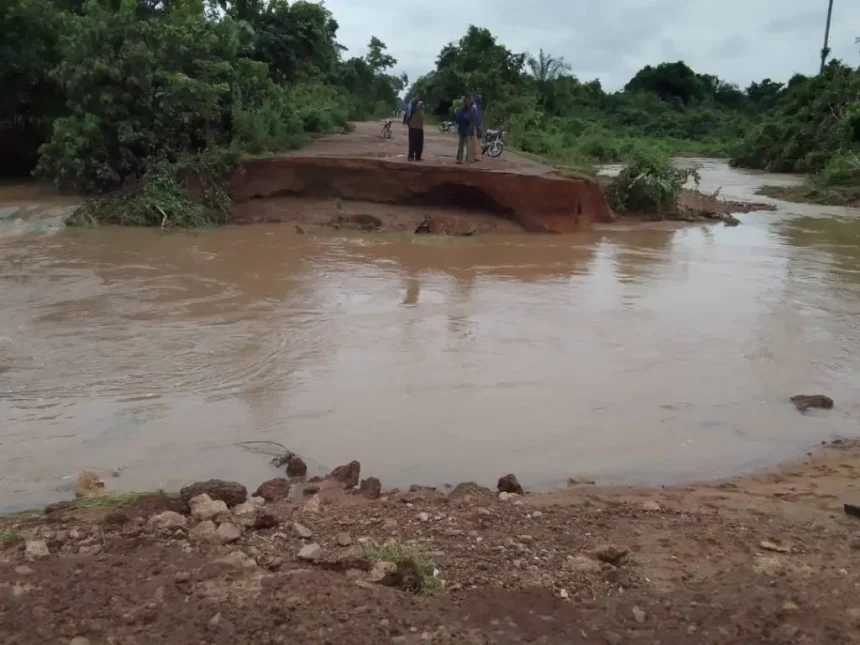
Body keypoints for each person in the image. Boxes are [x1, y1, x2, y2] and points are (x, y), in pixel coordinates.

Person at [404, 90, 426, 161]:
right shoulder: (420, 105)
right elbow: (422, 116)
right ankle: (416, 157)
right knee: (418, 143)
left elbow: (407, 115)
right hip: (417, 127)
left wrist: (407, 123)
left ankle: (412, 156)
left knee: (413, 142)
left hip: (413, 127)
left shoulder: (411, 105)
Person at [455, 96, 475, 164]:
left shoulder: (472, 110)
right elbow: (458, 118)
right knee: (461, 145)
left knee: (468, 146)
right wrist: (465, 118)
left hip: (468, 130)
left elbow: (469, 119)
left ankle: (468, 159)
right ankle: (460, 159)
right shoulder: (462, 109)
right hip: (463, 129)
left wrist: (463, 118)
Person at [473, 93, 483, 162]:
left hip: (475, 126)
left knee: (475, 142)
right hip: (479, 125)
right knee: (479, 142)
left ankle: (475, 156)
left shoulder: (474, 107)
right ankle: (478, 156)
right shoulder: (479, 107)